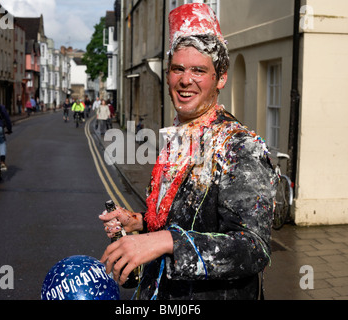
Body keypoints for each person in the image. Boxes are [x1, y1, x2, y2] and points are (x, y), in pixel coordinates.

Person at [99, 3, 277, 300]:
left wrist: (166, 241)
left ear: (220, 78)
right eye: (178, 69)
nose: (185, 80)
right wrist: (141, 222)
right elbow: (191, 217)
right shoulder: (178, 139)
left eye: (198, 70)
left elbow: (253, 248)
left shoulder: (240, 148)